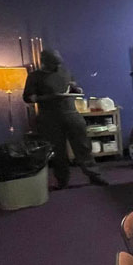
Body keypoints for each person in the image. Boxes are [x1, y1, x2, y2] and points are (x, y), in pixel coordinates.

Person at [23, 49, 107, 189]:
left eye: (58, 63)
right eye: (54, 64)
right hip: (50, 118)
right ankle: (62, 180)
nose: (57, 66)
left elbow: (72, 88)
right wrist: (48, 97)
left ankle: (94, 175)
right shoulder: (34, 76)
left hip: (72, 114)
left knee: (83, 147)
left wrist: (76, 89)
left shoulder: (65, 72)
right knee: (58, 152)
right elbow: (28, 98)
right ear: (44, 62)